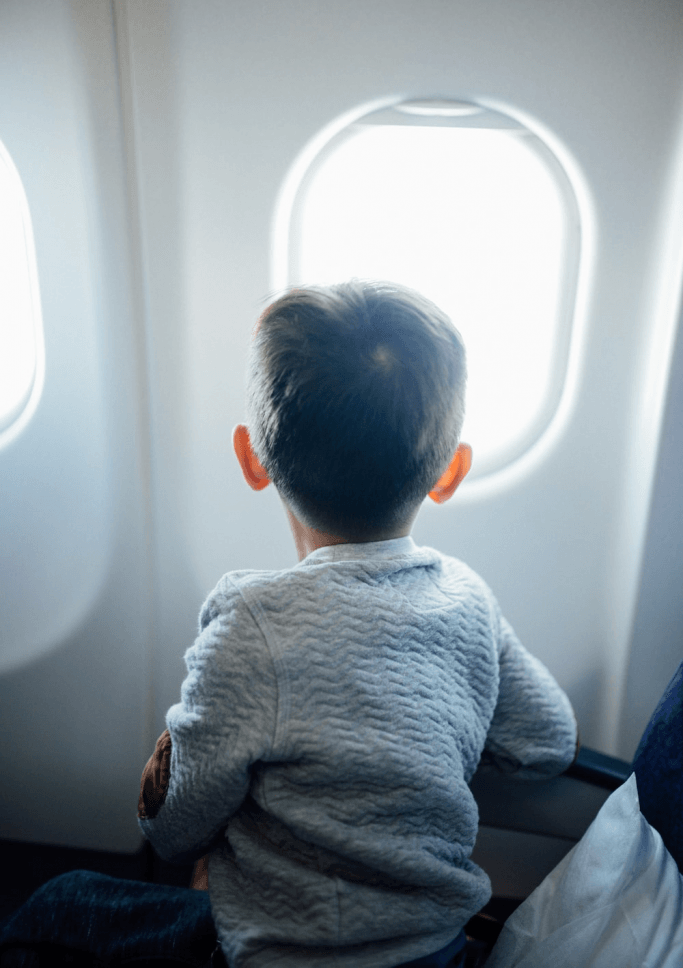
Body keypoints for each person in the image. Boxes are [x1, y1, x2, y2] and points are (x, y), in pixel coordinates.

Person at [0, 282, 578, 968]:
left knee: (61, 903)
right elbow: (547, 741)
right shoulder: (467, 599)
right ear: (448, 472)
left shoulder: (252, 622)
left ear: (252, 458)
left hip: (280, 957)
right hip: (435, 953)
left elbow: (172, 828)